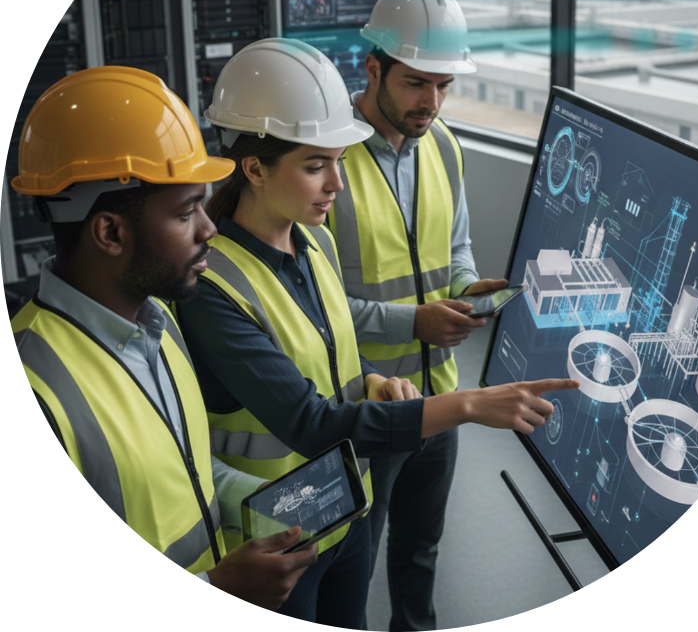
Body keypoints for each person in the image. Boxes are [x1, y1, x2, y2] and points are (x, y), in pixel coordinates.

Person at [175, 38, 578, 627]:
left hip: (344, 505)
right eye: (316, 166)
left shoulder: (316, 243)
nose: (337, 184)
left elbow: (327, 361)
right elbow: (309, 423)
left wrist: (369, 383)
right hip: (274, 536)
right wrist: (466, 404)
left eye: (338, 160)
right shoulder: (213, 287)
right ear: (255, 168)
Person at [11, 66, 318, 607]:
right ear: (110, 232)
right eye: (185, 212)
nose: (209, 228)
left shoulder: (159, 320)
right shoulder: (40, 384)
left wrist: (266, 500)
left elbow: (186, 467)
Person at [325, 0, 505, 631]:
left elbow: (456, 251)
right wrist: (415, 321)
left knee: (420, 554)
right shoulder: (326, 163)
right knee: (355, 561)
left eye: (444, 86)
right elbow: (314, 311)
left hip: (440, 397)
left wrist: (468, 291)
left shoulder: (445, 146)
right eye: (416, 83)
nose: (431, 102)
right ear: (372, 68)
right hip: (367, 408)